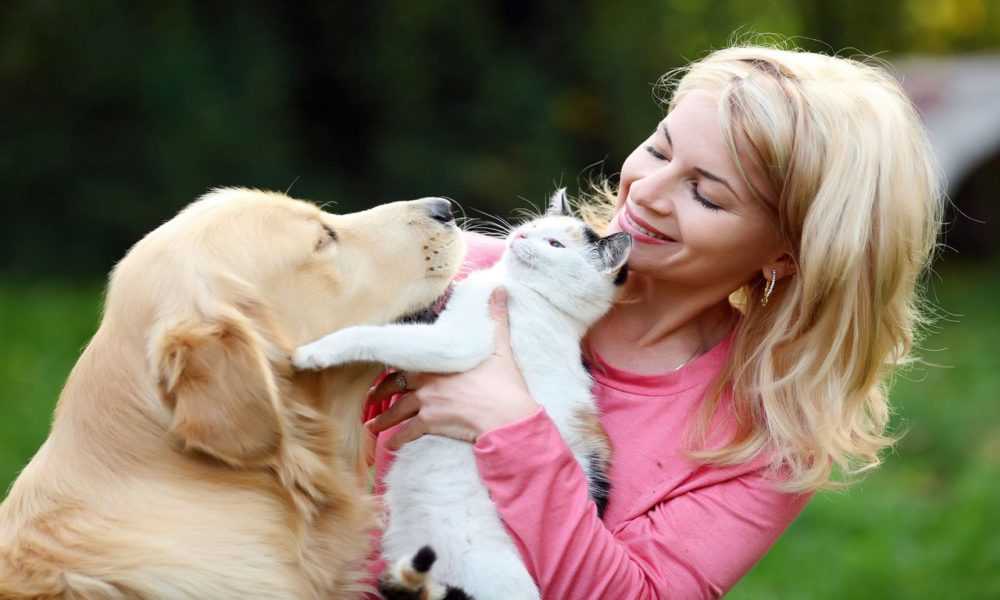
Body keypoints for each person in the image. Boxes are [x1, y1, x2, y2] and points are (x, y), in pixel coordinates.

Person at [362, 44, 943, 598]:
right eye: (661, 150)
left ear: (786, 255)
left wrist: (510, 427)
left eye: (706, 195)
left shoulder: (762, 442)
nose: (648, 192)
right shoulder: (469, 274)